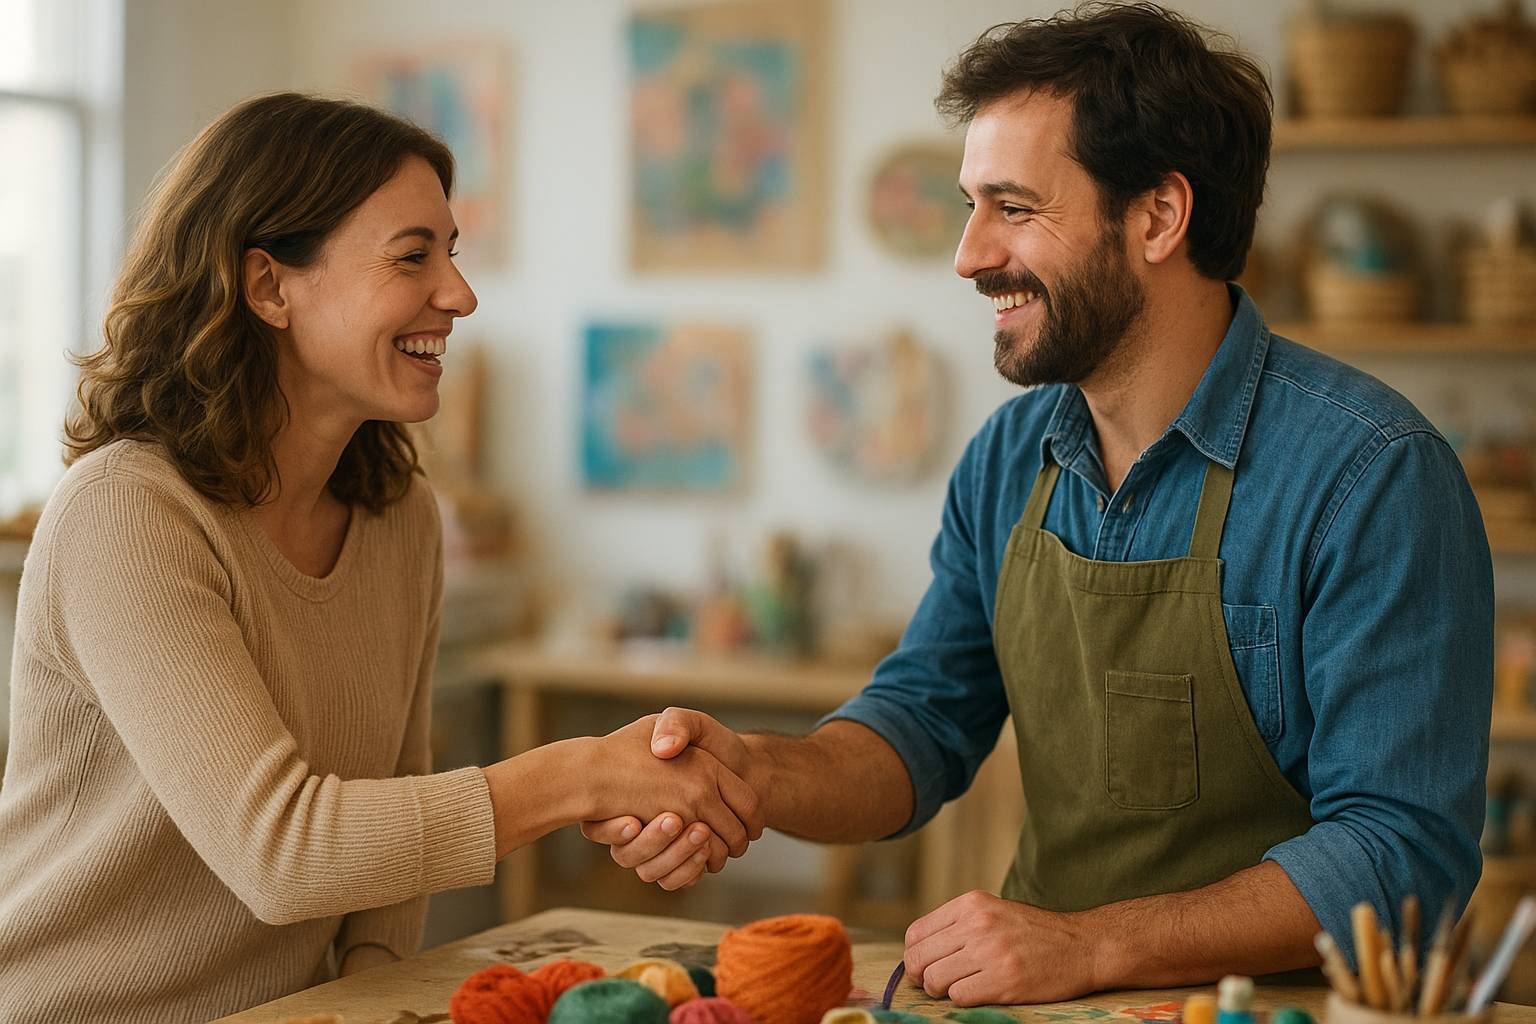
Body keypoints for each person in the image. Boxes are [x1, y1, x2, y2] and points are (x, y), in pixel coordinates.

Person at [585, 2, 1493, 1007]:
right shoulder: (1010, 459)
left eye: (1012, 208)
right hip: (1043, 1000)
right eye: (974, 206)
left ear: (1158, 215)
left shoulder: (1372, 474)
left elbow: (1403, 851)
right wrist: (754, 772)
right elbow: (920, 723)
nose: (970, 254)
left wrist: (1091, 946)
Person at [0, 92, 759, 1023]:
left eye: (452, 252)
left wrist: (367, 998)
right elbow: (281, 852)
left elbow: (398, 806)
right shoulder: (126, 514)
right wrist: (584, 776)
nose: (460, 294)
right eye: (413, 257)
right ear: (270, 286)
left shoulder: (400, 516)